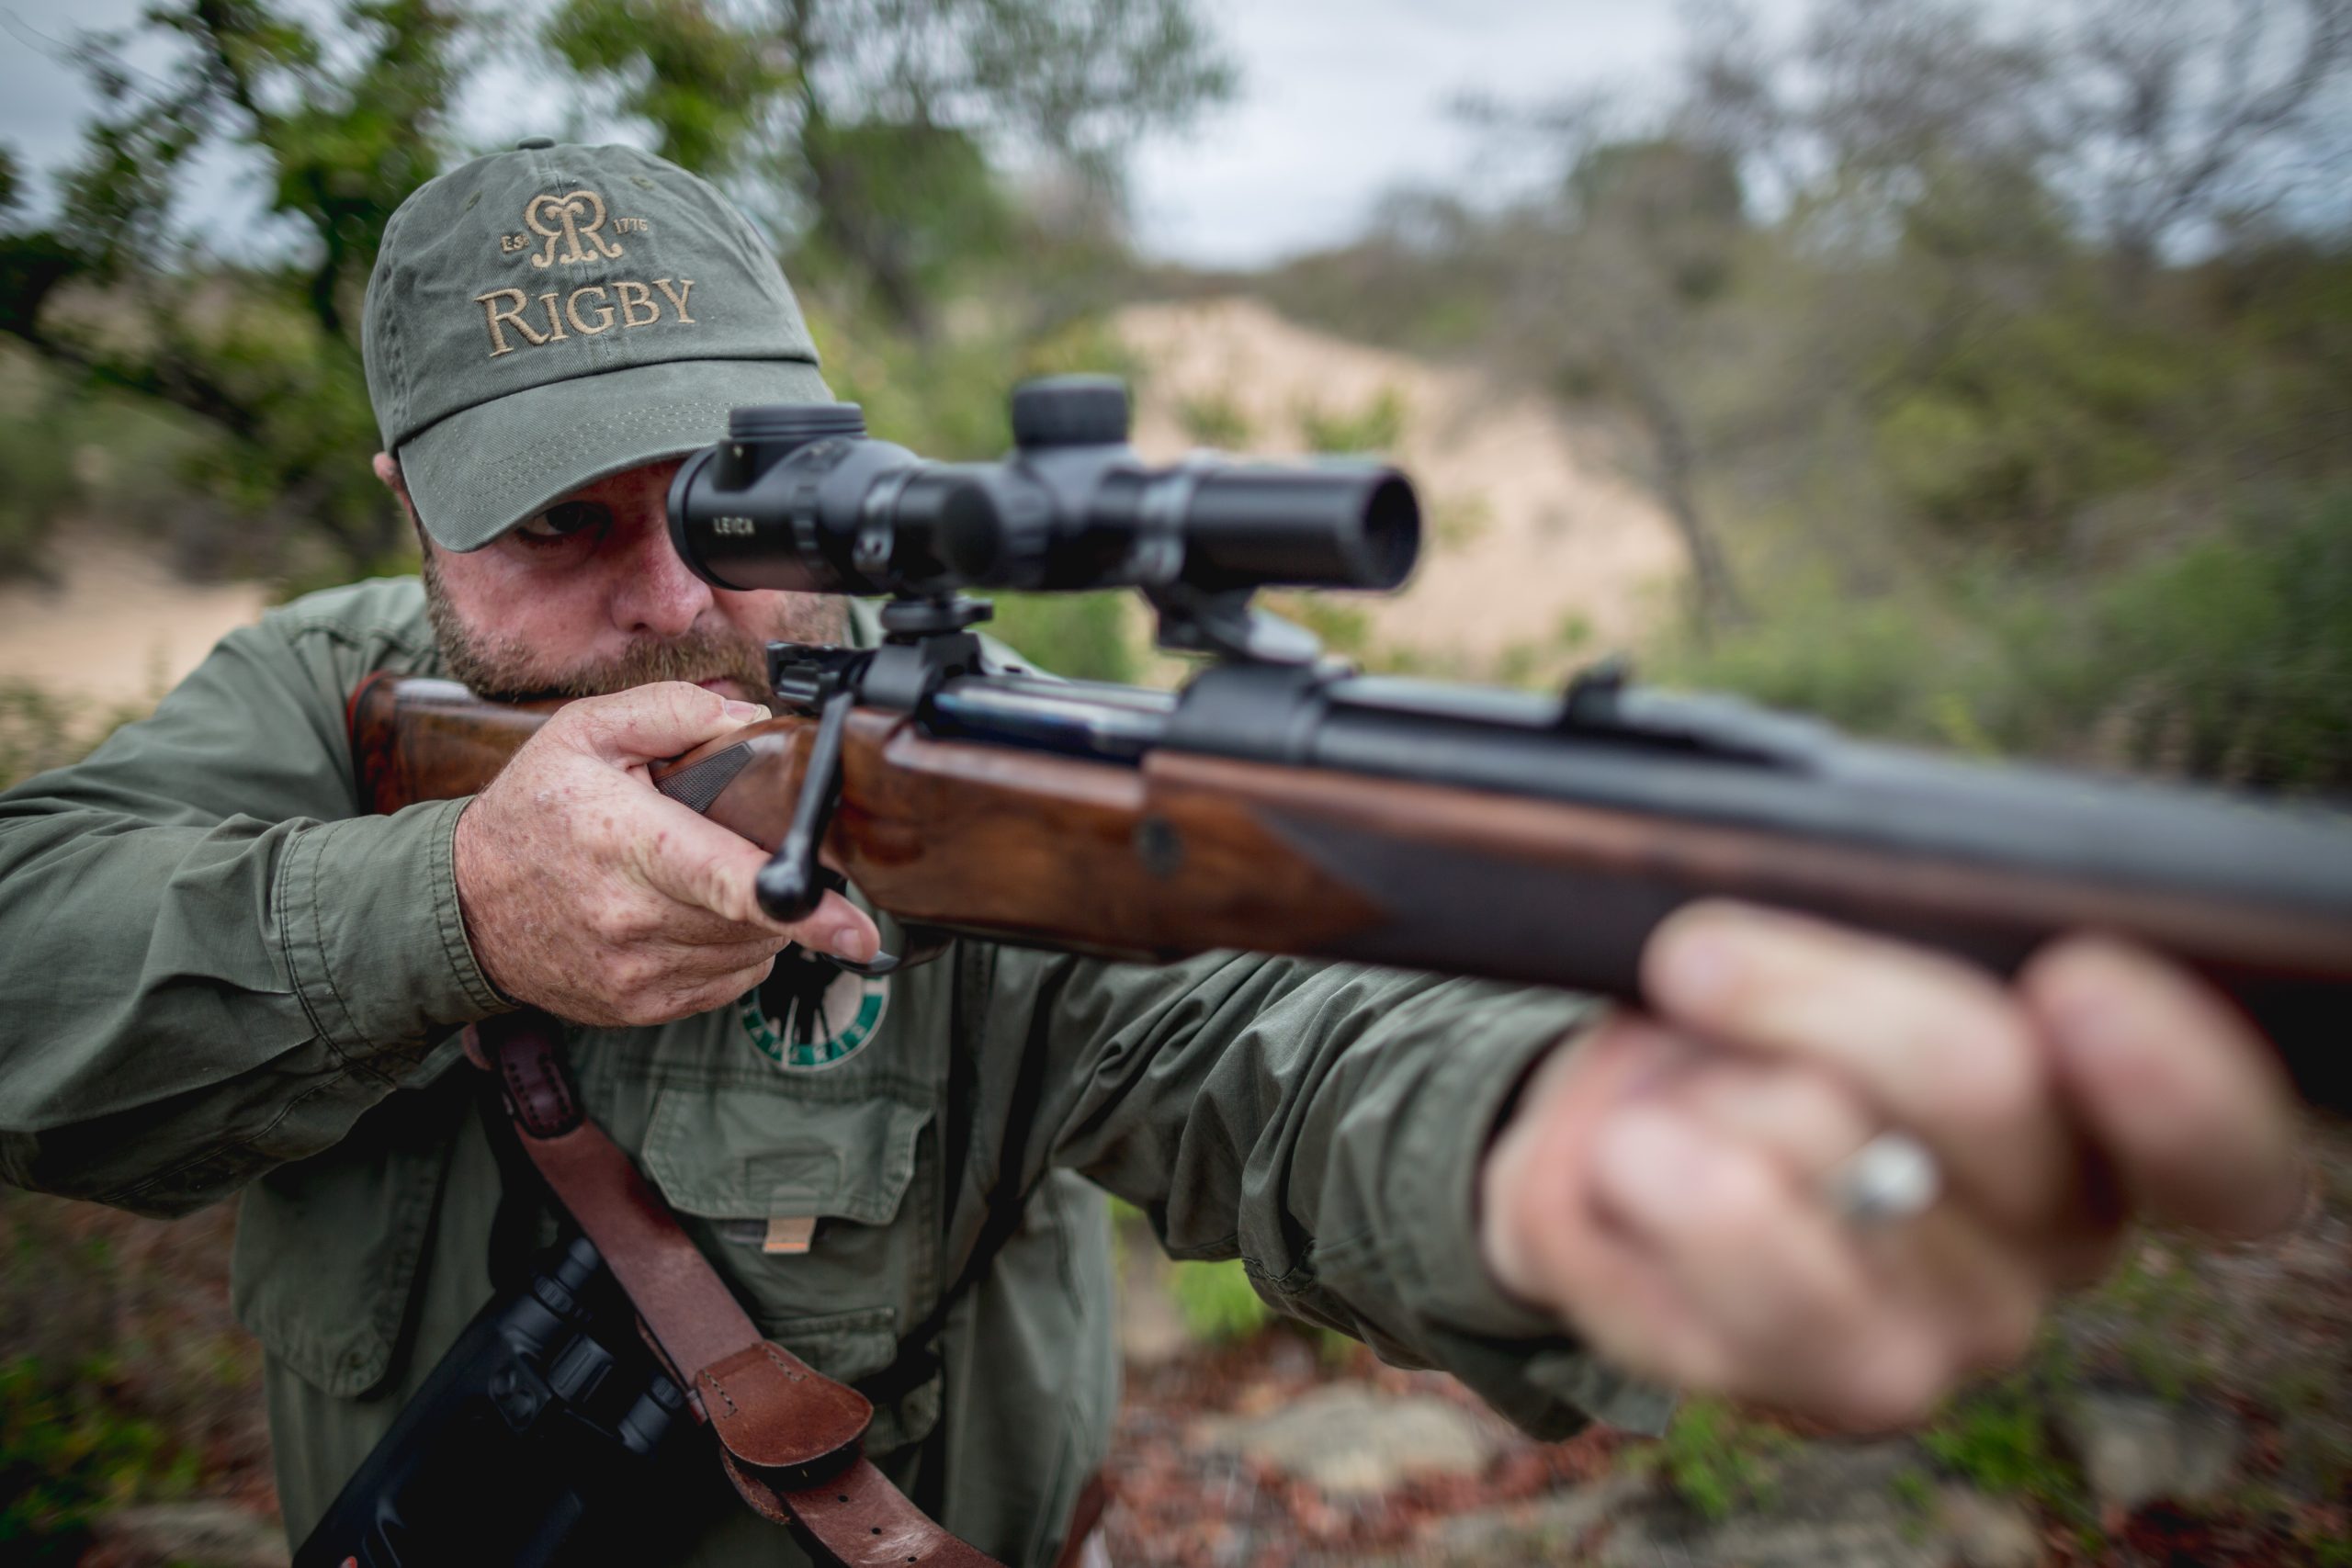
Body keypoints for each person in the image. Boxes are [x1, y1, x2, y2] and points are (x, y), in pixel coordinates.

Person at [0, 139, 2308, 1566]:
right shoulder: (325, 701)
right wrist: (447, 907)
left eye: (718, 502)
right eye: (560, 531)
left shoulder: (956, 767)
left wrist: (1546, 1153)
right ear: (411, 516)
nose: (676, 599)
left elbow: (1272, 1040)